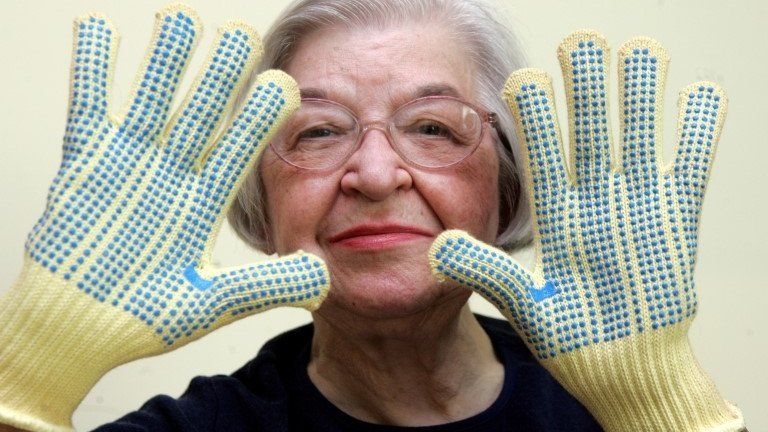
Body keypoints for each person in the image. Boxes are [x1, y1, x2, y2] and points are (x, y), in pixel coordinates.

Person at [0, 0, 747, 431]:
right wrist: (26, 381)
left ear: (510, 186)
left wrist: (661, 409)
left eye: (433, 128)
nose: (376, 173)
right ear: (261, 192)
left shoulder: (615, 413)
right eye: (318, 132)